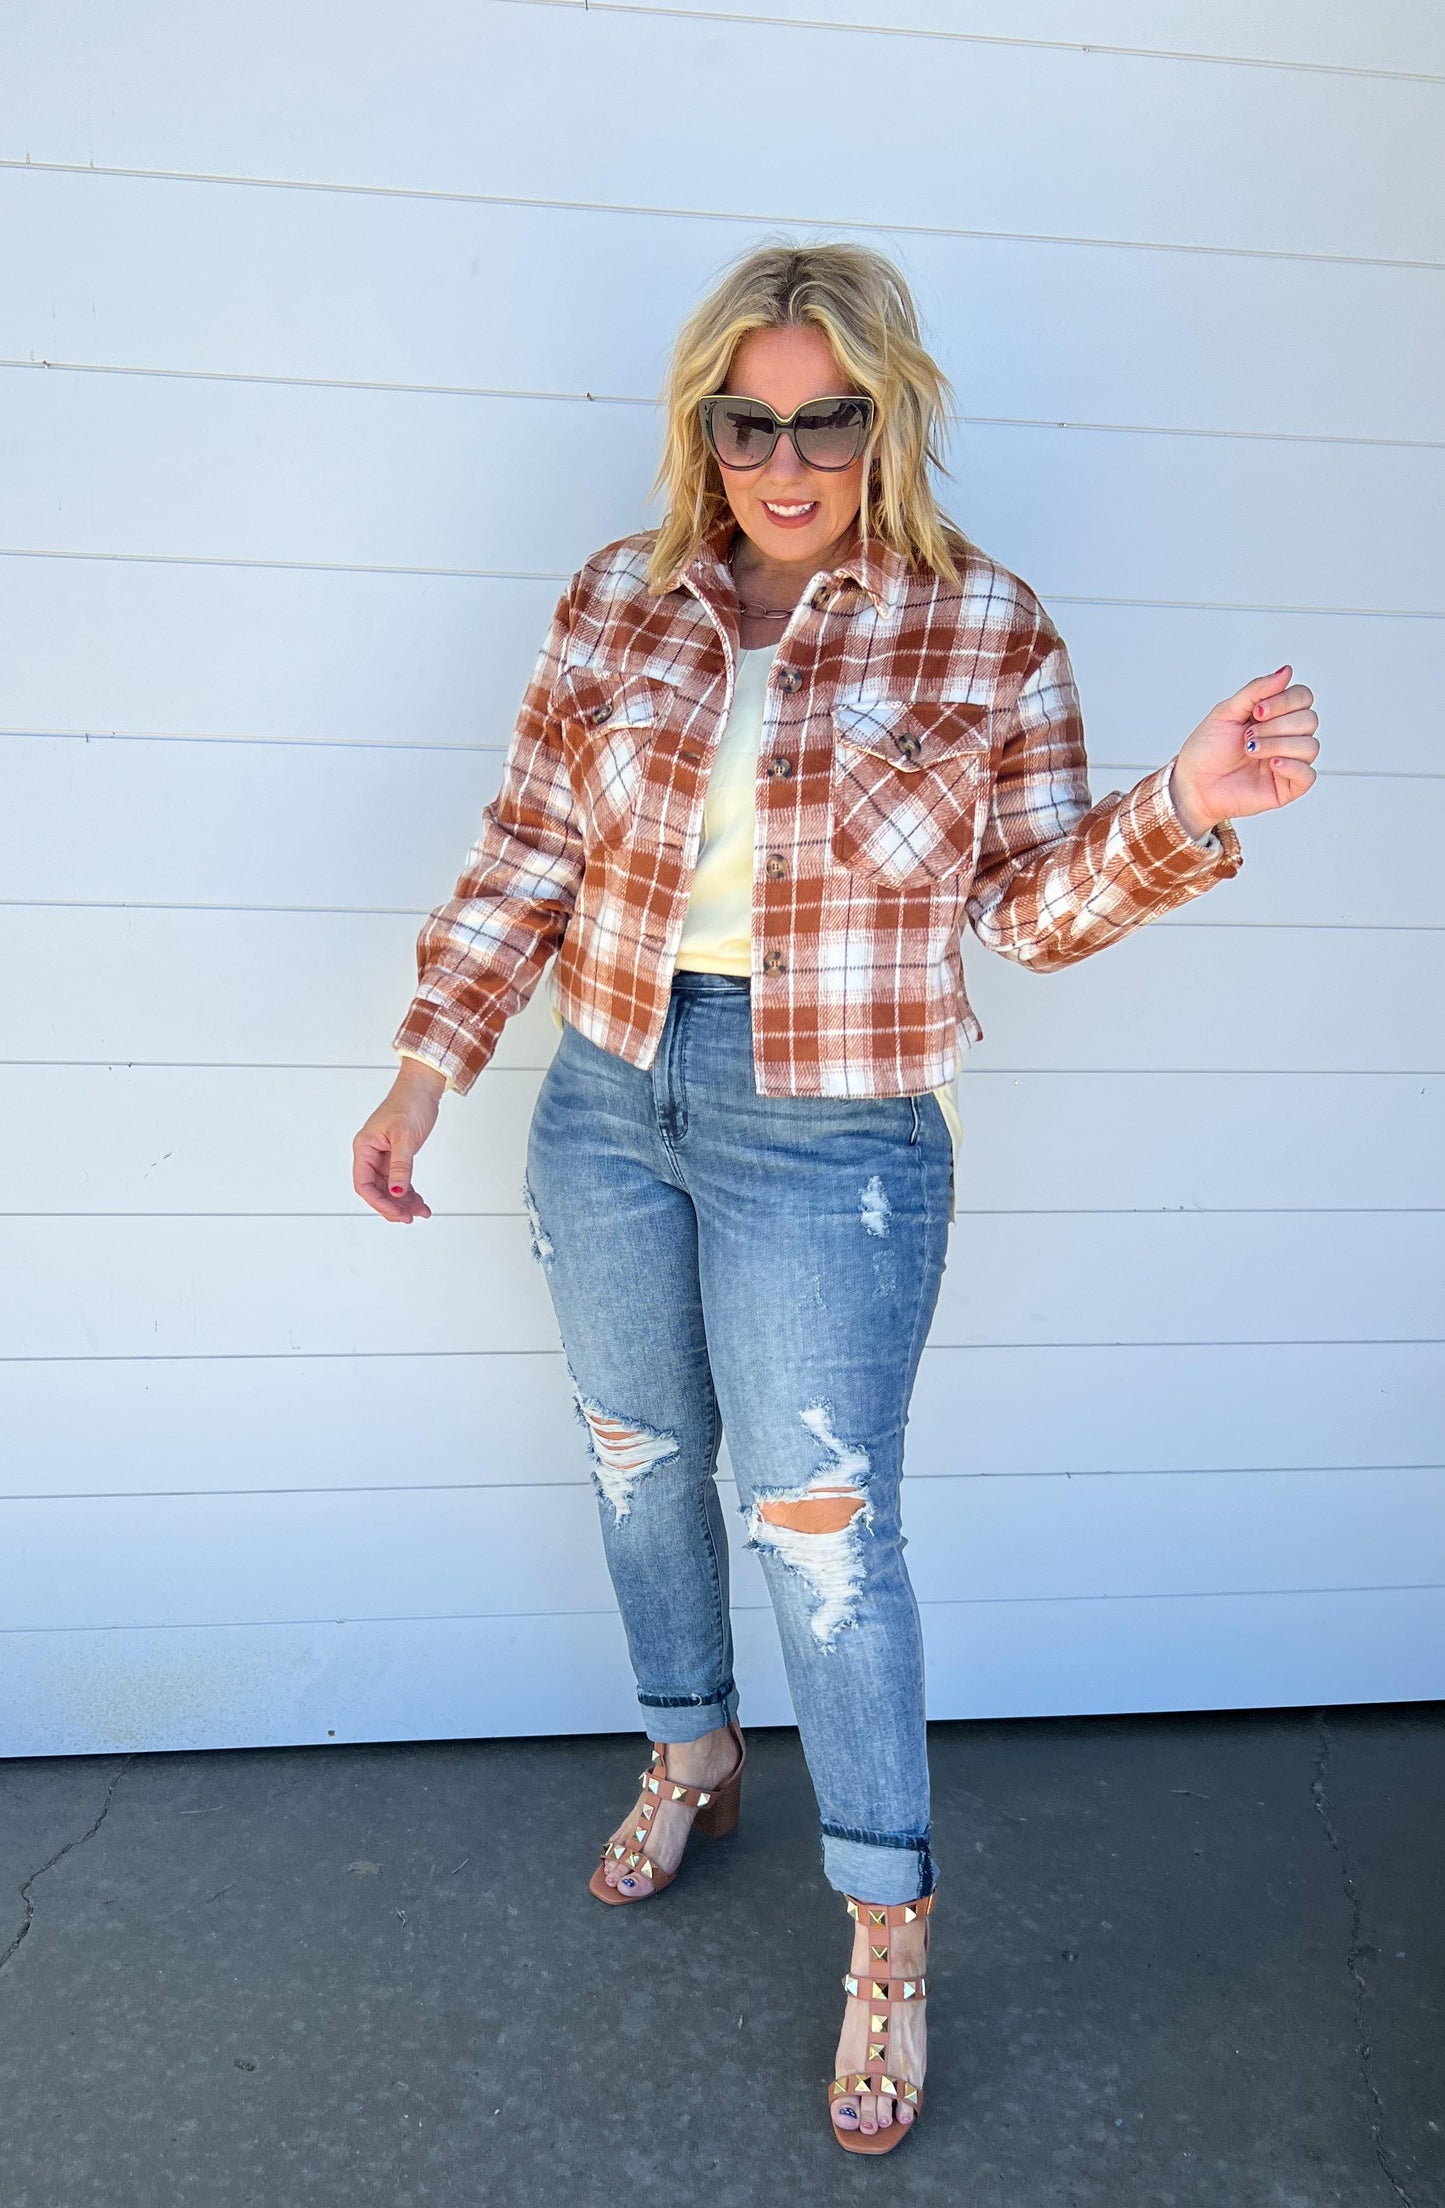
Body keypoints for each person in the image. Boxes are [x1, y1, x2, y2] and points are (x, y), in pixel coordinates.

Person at [352, 239, 1319, 2154]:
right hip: (608, 1088)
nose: (785, 462)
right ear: (700, 431)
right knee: (635, 1451)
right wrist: (425, 1060)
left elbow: (1031, 914)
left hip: (839, 1130)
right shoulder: (616, 608)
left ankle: (886, 1923)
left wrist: (1181, 805)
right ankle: (691, 1755)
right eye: (748, 422)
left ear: (889, 422)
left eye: (826, 420)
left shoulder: (985, 628)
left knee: (819, 1531)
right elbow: (526, 849)